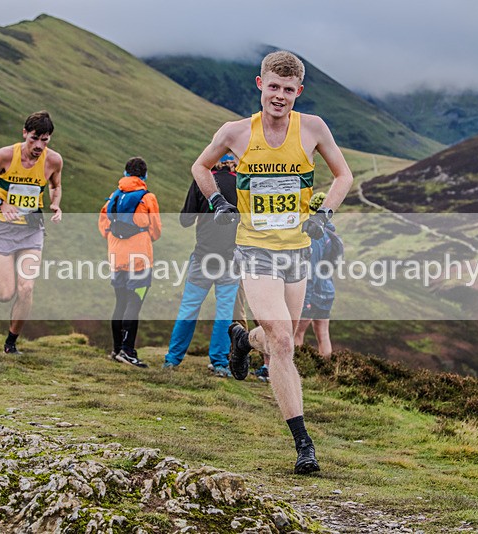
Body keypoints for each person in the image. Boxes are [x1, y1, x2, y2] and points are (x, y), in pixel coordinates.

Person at [191, 50, 353, 474]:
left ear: (298, 92)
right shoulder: (236, 132)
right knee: (282, 342)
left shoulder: (313, 129)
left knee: (281, 342)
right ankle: (303, 444)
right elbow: (200, 166)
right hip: (255, 249)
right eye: (273, 87)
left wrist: (324, 215)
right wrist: (218, 203)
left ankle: (243, 341)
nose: (279, 96)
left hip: (297, 251)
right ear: (260, 85)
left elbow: (344, 176)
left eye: (288, 89)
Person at [0, 111, 63, 354]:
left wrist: (55, 204)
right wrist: (1, 203)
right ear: (25, 133)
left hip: (32, 231)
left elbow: (56, 186)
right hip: (3, 228)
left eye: (45, 140)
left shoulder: (53, 161)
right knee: (6, 292)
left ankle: (11, 343)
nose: (38, 145)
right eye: (34, 138)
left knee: (26, 288)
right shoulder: (5, 155)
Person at [163, 154, 240, 377]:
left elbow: (185, 220)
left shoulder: (202, 181)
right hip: (231, 257)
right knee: (224, 312)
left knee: (189, 308)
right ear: (234, 161)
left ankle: (172, 360)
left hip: (203, 256)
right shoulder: (242, 183)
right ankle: (219, 363)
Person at [98, 157, 161, 368]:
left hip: (116, 257)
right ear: (144, 175)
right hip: (139, 260)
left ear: (125, 173)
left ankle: (116, 349)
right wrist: (143, 237)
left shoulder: (113, 197)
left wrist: (113, 239)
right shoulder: (147, 198)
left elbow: (104, 224)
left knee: (120, 303)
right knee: (135, 302)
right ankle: (127, 351)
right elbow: (156, 230)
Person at [294, 192, 339, 358]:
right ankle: (325, 373)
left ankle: (299, 369)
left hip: (313, 293)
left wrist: (305, 301)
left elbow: (310, 272)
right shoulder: (331, 233)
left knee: (297, 334)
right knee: (323, 334)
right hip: (327, 290)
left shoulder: (315, 236)